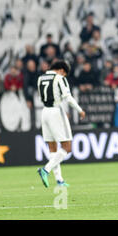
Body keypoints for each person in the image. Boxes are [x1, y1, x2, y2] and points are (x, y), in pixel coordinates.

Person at [37, 60, 86, 188]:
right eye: (64, 74)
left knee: (52, 147)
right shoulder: (59, 78)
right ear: (61, 70)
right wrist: (80, 110)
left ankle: (59, 180)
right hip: (56, 112)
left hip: (44, 112)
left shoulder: (40, 78)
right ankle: (45, 170)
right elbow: (68, 98)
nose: (64, 76)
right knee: (67, 147)